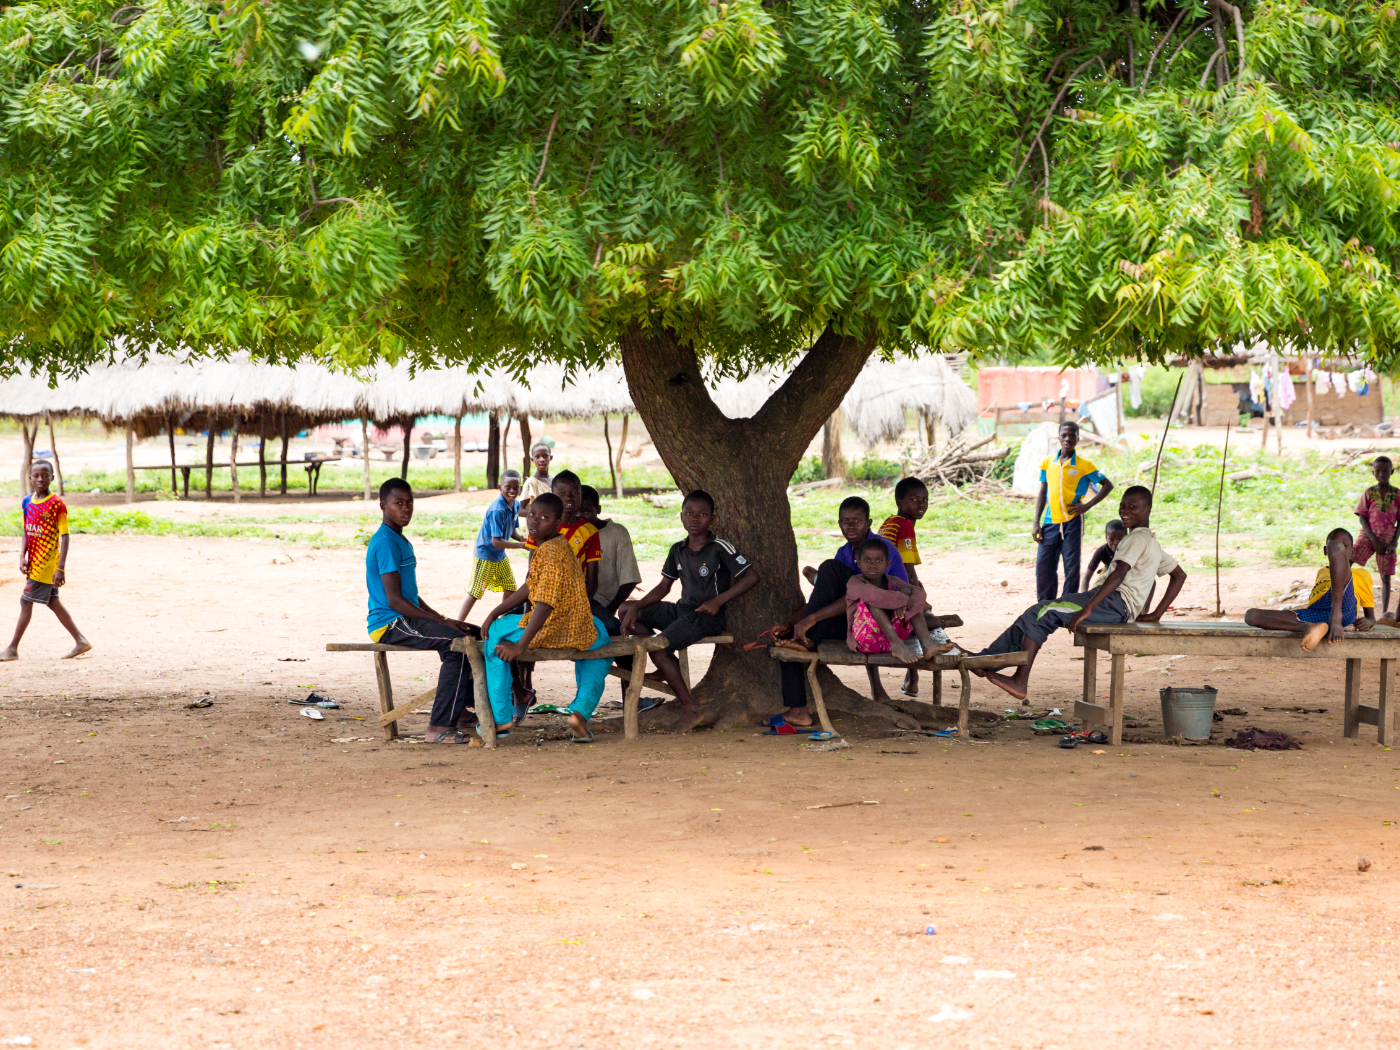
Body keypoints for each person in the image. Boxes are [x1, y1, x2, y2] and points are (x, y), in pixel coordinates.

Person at [973, 486, 1185, 701]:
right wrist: (1155, 615)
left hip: (1113, 603)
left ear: (1148, 510)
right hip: (1116, 606)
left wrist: (1089, 607)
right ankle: (987, 661)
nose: (1125, 512)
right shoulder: (1151, 542)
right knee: (1040, 611)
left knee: (1043, 611)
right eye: (1122, 507)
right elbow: (1180, 575)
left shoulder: (1136, 539)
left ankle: (1018, 681)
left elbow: (1119, 574)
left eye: (1133, 507)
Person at [620, 490, 760, 734]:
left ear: (712, 520)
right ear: (681, 517)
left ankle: (690, 708)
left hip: (707, 617)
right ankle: (665, 665)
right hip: (682, 611)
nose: (695, 519)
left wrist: (718, 601)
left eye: (702, 515)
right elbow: (664, 587)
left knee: (659, 646)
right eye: (689, 514)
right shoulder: (678, 549)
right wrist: (636, 605)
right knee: (626, 611)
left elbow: (751, 577)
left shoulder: (719, 547)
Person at [481, 493, 613, 742]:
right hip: (578, 627)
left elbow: (543, 604)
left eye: (544, 518)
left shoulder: (549, 553)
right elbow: (530, 586)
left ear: (557, 523)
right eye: (531, 515)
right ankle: (580, 713)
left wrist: (520, 645)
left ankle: (501, 719)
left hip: (554, 628)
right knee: (603, 641)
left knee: (493, 637)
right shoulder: (557, 544)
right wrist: (494, 611)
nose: (534, 522)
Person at [774, 496, 911, 723]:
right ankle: (798, 710)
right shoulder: (844, 553)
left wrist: (810, 620)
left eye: (856, 521)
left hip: (880, 625)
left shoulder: (882, 550)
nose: (850, 526)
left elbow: (893, 591)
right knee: (788, 638)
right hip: (852, 621)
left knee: (829, 568)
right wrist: (793, 621)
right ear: (839, 524)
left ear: (868, 523)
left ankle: (805, 636)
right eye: (845, 521)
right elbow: (831, 598)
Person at [364, 478, 480, 744]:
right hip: (390, 623)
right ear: (383, 505)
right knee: (459, 645)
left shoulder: (401, 541)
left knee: (471, 634)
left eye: (410, 503)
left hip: (404, 616)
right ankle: (439, 727)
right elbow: (395, 601)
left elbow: (411, 597)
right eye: (398, 503)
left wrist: (444, 619)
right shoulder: (385, 542)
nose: (406, 509)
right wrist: (441, 624)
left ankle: (459, 710)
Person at [1, 462, 91, 661]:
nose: (40, 479)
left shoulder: (57, 504)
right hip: (34, 562)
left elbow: (65, 536)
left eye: (45, 475)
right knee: (52, 601)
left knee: (26, 601)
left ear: (52, 477)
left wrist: (61, 568)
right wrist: (21, 556)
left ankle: (12, 649)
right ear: (30, 478)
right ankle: (81, 641)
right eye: (36, 475)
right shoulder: (27, 501)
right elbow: (26, 530)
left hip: (48, 564)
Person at [1245, 528, 1376, 650]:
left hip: (1342, 611)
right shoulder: (1322, 572)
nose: (1340, 549)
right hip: (1316, 612)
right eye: (1333, 547)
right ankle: (1308, 627)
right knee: (1252, 615)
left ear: (1352, 551)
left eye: (1345, 546)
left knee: (1335, 547)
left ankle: (1334, 618)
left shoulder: (1361, 574)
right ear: (1326, 551)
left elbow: (1371, 617)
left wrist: (1367, 621)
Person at [580, 485, 646, 703]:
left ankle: (630, 700)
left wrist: (611, 608)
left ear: (597, 509)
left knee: (621, 635)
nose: (582, 517)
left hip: (605, 605)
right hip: (580, 606)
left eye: (587, 511)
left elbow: (630, 578)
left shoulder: (616, 533)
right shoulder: (569, 533)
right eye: (577, 513)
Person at [1033, 421, 1114, 601]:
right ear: (1059, 438)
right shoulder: (1047, 463)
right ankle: (1045, 604)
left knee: (1071, 567)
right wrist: (1036, 522)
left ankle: (1066, 606)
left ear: (1078, 438)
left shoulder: (1084, 465)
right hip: (1049, 522)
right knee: (1044, 566)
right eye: (1064, 435)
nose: (1068, 439)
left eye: (1072, 435)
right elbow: (1042, 492)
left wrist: (1087, 505)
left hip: (1072, 522)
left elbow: (1108, 485)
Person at [878, 477, 939, 698]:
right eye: (914, 499)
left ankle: (911, 679)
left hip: (882, 586)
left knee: (920, 616)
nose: (921, 504)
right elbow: (907, 569)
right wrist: (919, 597)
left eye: (925, 499)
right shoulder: (904, 525)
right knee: (928, 621)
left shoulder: (891, 521)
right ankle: (912, 678)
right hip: (891, 592)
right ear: (899, 502)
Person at [846, 537, 945, 663]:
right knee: (874, 602)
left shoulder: (893, 581)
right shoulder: (855, 582)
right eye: (866, 560)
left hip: (892, 638)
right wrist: (901, 600)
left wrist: (903, 601)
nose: (872, 565)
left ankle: (927, 644)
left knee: (908, 592)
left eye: (878, 560)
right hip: (866, 641)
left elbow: (919, 593)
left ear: (887, 564)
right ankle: (897, 646)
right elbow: (874, 595)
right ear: (858, 563)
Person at [457, 469, 526, 621]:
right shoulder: (498, 509)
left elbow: (511, 531)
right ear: (499, 487)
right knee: (475, 591)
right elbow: (496, 541)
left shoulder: (515, 505)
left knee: (510, 587)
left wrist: (522, 539)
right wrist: (522, 546)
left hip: (499, 554)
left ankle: (501, 620)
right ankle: (458, 623)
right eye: (508, 487)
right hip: (486, 553)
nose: (512, 491)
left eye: (516, 487)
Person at [525, 470, 601, 598]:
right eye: (562, 494)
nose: (569, 498)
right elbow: (531, 572)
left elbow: (592, 581)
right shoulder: (541, 527)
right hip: (543, 596)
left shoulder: (590, 531)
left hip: (577, 599)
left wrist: (580, 605)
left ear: (581, 495)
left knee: (608, 619)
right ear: (553, 494)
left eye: (574, 493)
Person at [1352, 456, 1398, 617]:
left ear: (1392, 472)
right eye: (1377, 471)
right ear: (1373, 473)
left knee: (1386, 577)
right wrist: (1373, 539)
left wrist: (1394, 542)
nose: (1381, 474)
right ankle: (1348, 603)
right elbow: (1362, 517)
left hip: (1388, 540)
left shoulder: (1397, 494)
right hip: (1367, 536)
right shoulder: (1369, 492)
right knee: (1349, 562)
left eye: (1385, 471)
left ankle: (1384, 614)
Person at [1081, 518, 1128, 592]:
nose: (1115, 542)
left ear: (1127, 537)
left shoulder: (1131, 550)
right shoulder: (1102, 551)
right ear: (1106, 538)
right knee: (1096, 591)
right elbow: (1086, 578)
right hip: (1108, 573)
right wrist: (1084, 594)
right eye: (1111, 539)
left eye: (1120, 539)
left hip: (1127, 576)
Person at [517, 441, 554, 513]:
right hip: (537, 523)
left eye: (545, 456)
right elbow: (519, 510)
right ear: (532, 460)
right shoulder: (531, 483)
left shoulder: (554, 479)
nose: (542, 460)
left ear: (551, 458)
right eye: (537, 457)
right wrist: (539, 515)